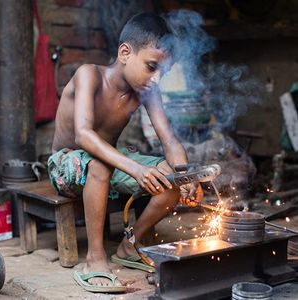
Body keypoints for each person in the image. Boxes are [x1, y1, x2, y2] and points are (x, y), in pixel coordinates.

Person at [48, 12, 202, 293]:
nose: (156, 79)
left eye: (162, 73)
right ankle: (95, 257)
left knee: (171, 177)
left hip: (110, 161)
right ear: (125, 53)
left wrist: (187, 176)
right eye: (151, 66)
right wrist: (136, 169)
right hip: (65, 165)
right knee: (100, 165)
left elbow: (169, 141)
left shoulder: (146, 93)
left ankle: (130, 245)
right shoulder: (89, 75)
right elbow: (83, 135)